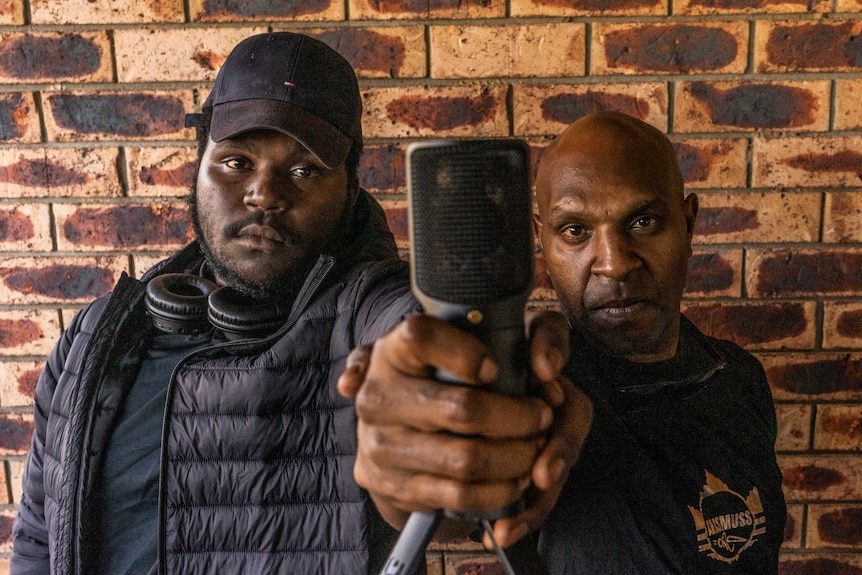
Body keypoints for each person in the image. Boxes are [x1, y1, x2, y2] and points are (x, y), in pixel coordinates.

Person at [10, 32, 585, 574]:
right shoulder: (93, 337)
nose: (265, 193)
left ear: (350, 187)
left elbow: (406, 336)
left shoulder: (364, 313)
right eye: (237, 162)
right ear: (199, 162)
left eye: (305, 169)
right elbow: (39, 539)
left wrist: (472, 382)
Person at [349, 111, 786, 573]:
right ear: (543, 241)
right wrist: (401, 479)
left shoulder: (740, 377)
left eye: (644, 222)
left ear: (688, 225)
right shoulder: (541, 398)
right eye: (575, 231)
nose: (614, 264)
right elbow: (450, 502)